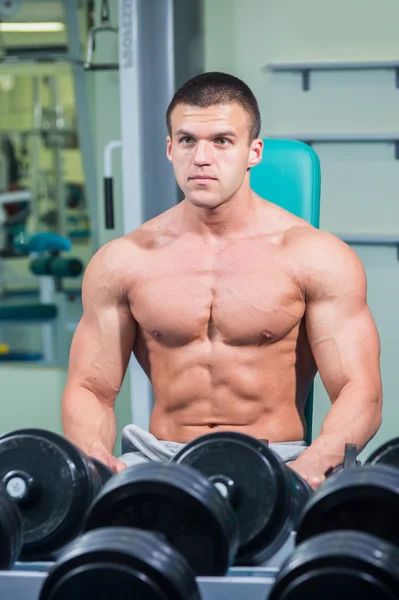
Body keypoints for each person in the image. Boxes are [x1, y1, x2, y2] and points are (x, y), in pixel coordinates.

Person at [61, 72, 382, 489]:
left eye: (222, 141)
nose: (201, 158)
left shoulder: (315, 257)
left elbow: (360, 390)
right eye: (188, 140)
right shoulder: (124, 261)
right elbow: (90, 387)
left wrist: (318, 460)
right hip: (159, 460)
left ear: (254, 152)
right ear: (170, 148)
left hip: (279, 461)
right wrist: (94, 457)